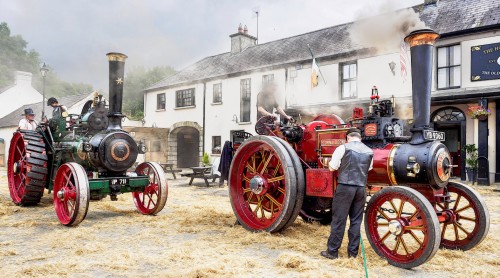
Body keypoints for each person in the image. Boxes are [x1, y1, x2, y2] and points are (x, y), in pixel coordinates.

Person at [321, 128, 373, 260]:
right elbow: (369, 168)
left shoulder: (343, 148)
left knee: (339, 219)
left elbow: (333, 167)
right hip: (361, 189)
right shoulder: (369, 151)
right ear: (359, 138)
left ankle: (332, 252)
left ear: (348, 138)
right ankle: (353, 254)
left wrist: (329, 165)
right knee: (356, 221)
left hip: (345, 187)